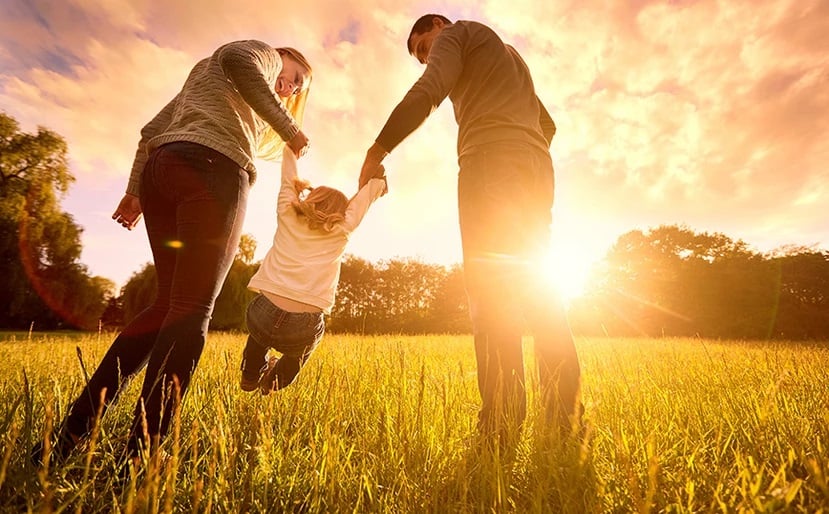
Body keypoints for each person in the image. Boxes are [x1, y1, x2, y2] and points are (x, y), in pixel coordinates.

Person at [32, 40, 313, 467]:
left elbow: (150, 131)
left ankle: (70, 434)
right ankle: (139, 457)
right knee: (193, 309)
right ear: (281, 56)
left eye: (296, 89)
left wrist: (133, 192)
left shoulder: (206, 80)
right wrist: (288, 127)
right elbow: (241, 60)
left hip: (162, 171)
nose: (289, 88)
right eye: (294, 77)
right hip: (214, 169)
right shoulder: (259, 53)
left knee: (167, 306)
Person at [358, 15, 582, 442]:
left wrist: (377, 149)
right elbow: (547, 124)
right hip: (535, 166)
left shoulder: (457, 34)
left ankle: (500, 425)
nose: (427, 59)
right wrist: (520, 149)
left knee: (492, 292)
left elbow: (429, 90)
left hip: (490, 163)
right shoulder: (509, 55)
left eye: (425, 48)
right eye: (421, 56)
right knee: (541, 292)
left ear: (439, 26)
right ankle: (563, 421)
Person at [239, 147, 387, 394]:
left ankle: (250, 374)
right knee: (299, 353)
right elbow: (365, 199)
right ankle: (274, 382)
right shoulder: (343, 228)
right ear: (342, 212)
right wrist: (377, 182)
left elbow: (288, 178)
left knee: (259, 336)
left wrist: (291, 149)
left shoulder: (288, 213)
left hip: (264, 312)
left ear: (311, 199)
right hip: (304, 324)